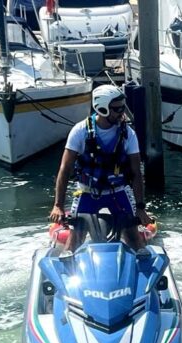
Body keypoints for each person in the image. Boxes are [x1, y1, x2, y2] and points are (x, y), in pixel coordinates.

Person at [49, 84, 152, 252]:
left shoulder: (128, 134)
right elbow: (64, 169)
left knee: (133, 237)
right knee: (75, 239)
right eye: (117, 109)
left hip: (118, 192)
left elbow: (136, 173)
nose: (122, 113)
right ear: (102, 108)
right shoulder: (80, 131)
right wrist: (58, 205)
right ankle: (66, 268)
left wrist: (140, 208)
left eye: (122, 108)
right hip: (88, 192)